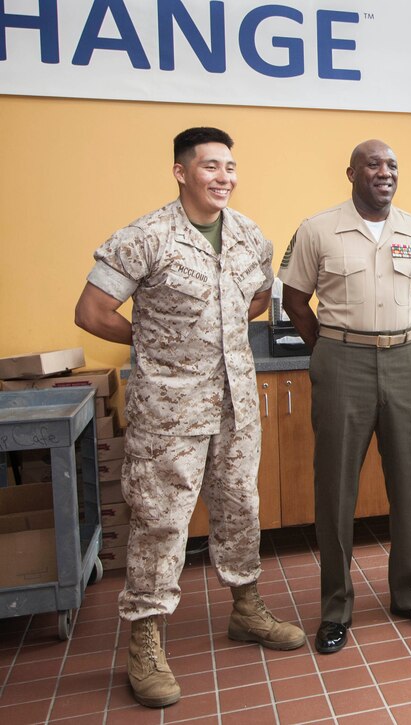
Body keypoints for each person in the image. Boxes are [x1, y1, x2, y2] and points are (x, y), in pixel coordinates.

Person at [74, 127, 306, 709]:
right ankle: (145, 641)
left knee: (240, 507)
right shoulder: (146, 237)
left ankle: (247, 610)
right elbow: (92, 310)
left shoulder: (250, 235)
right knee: (160, 521)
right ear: (182, 173)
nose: (224, 177)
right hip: (170, 410)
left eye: (230, 166)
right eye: (210, 166)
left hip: (236, 404)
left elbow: (256, 297)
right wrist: (153, 342)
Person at [279, 139, 411, 655]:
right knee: (335, 489)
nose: (384, 172)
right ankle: (336, 607)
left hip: (404, 359)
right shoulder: (317, 230)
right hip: (341, 359)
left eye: (392, 165)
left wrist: (394, 341)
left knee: (407, 479)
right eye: (373, 164)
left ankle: (408, 593)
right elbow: (294, 300)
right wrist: (331, 349)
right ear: (351, 171)